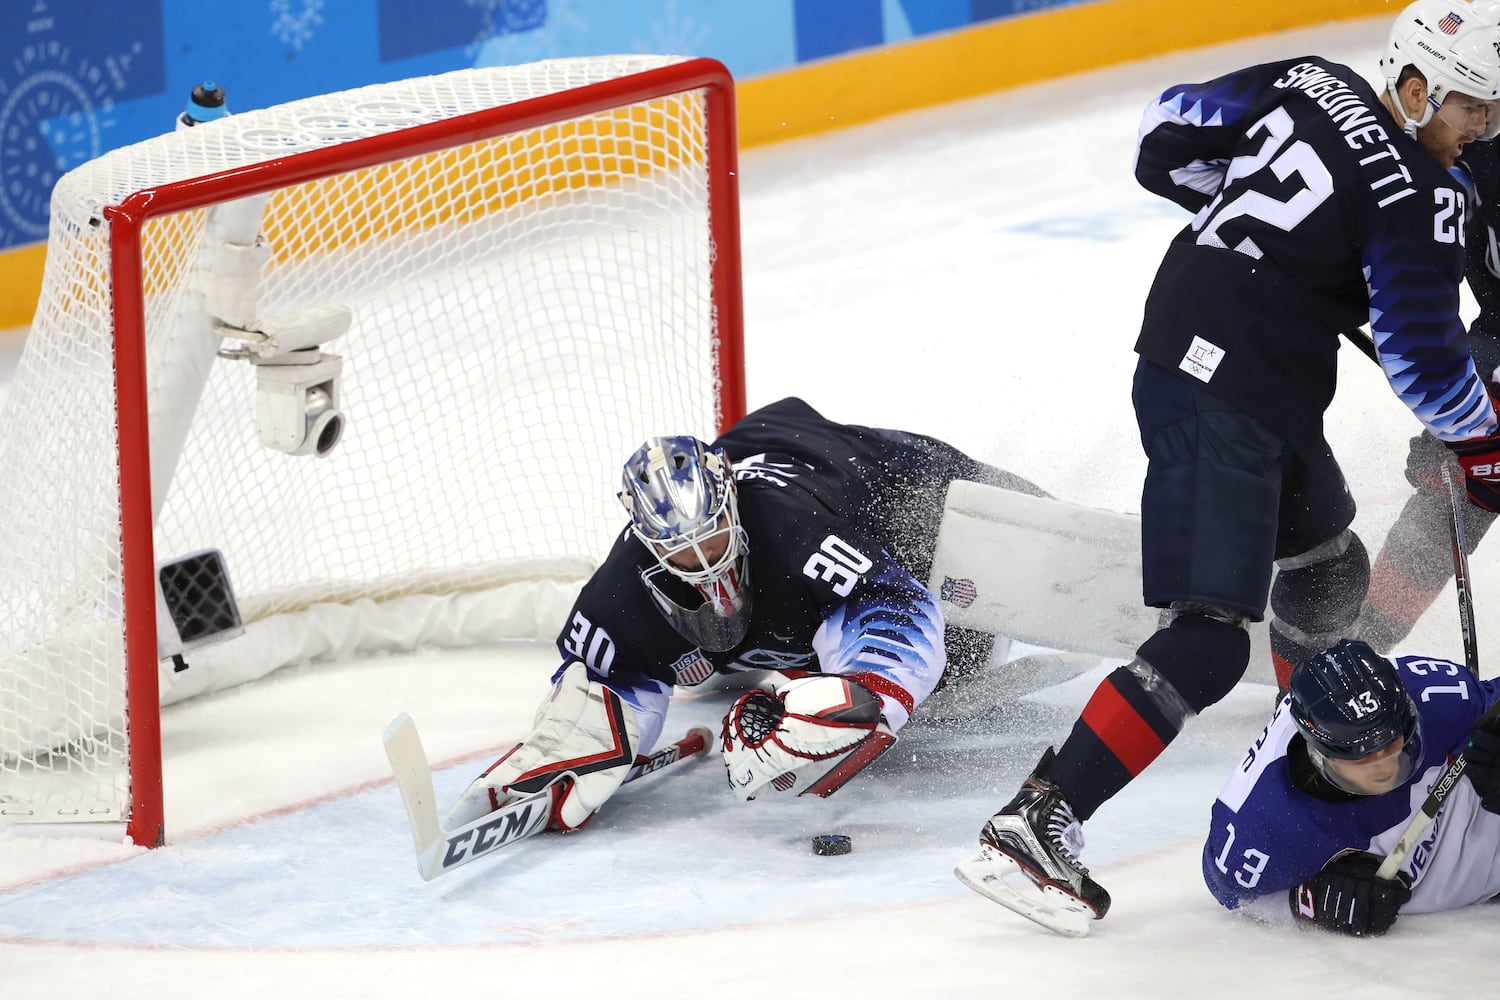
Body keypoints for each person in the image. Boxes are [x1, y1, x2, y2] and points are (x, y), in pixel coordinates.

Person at [957, 1, 1500, 934]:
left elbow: (1164, 132)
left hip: (1222, 362)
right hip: (1226, 389)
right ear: (1413, 88)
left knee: (1327, 569)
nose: (1481, 129)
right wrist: (1485, 450)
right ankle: (1037, 819)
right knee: (1208, 636)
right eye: (1469, 109)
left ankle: (1305, 738)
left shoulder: (1311, 79)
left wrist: (1269, 235)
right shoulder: (1412, 196)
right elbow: (1422, 359)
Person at [444, 395, 1049, 833]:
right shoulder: (623, 587)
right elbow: (602, 679)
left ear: (730, 502)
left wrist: (866, 691)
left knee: (959, 646)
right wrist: (575, 744)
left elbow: (892, 604)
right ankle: (781, 655)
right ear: (646, 542)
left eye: (710, 539)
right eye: (679, 550)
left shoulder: (790, 530)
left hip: (873, 474)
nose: (702, 562)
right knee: (732, 646)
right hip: (783, 558)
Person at [1203, 639, 1500, 935]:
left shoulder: (1439, 696)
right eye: (1365, 757)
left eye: (1394, 746)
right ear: (1319, 755)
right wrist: (1307, 901)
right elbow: (1227, 890)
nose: (1386, 769)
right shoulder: (1261, 824)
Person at [1356, 137, 1500, 657]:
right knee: (1455, 495)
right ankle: (1358, 652)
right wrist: (1454, 411)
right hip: (1495, 347)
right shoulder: (1476, 143)